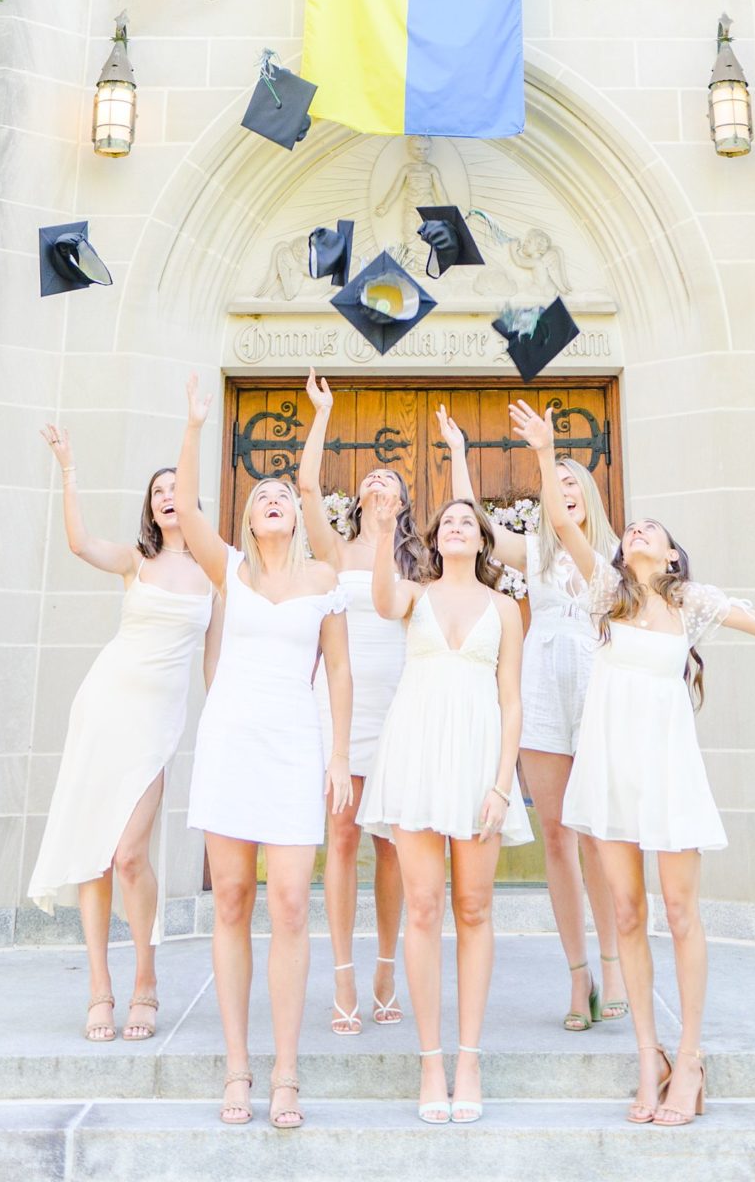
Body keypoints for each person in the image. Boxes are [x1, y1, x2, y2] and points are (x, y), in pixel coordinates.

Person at [512, 398, 755, 1129]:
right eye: (630, 530)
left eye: (648, 529)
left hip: (665, 768)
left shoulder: (690, 603)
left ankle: (689, 1057)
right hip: (609, 767)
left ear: (672, 555)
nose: (636, 531)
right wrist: (546, 449)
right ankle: (646, 1057)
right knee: (626, 911)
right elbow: (563, 524)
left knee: (680, 911)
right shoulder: (602, 594)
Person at [175, 373, 354, 1131]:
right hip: (230, 744)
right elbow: (184, 510)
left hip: (292, 745)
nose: (275, 498)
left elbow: (340, 669)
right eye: (262, 496)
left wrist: (339, 756)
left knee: (287, 903)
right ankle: (238, 1067)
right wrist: (191, 428)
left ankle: (285, 1070)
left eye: (283, 494)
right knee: (233, 903)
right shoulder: (231, 572)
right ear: (248, 522)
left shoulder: (323, 577)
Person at [439, 401, 627, 1030]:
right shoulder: (535, 555)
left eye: (574, 484)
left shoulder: (619, 553)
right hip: (544, 692)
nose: (564, 492)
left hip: (599, 690)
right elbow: (479, 527)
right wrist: (460, 456)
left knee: (602, 836)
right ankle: (579, 978)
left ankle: (616, 963)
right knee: (557, 836)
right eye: (557, 484)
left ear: (589, 497)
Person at [29, 431, 217, 1043]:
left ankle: (146, 982)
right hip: (104, 706)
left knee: (129, 854)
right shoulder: (137, 563)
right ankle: (100, 989)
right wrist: (69, 468)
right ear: (151, 506)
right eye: (157, 490)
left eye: (175, 487)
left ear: (190, 500)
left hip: (154, 725)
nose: (166, 495)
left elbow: (213, 666)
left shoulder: (216, 574)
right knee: (93, 849)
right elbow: (81, 543)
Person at [357, 486, 529, 1125]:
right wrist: (380, 534)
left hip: (480, 764)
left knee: (474, 907)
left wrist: (502, 782)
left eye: (468, 521)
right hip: (416, 759)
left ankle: (468, 1058)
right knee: (423, 907)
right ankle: (430, 1060)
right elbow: (379, 602)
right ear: (433, 539)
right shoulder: (414, 593)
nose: (457, 526)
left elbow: (511, 700)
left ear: (483, 540)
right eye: (446, 521)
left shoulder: (506, 609)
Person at [299, 371, 426, 1036]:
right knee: (342, 836)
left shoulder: (420, 560)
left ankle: (385, 966)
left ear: (403, 504)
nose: (378, 485)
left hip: (400, 708)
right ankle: (344, 976)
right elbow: (304, 488)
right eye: (370, 481)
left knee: (395, 846)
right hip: (341, 709)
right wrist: (321, 414)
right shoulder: (333, 549)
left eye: (390, 483)